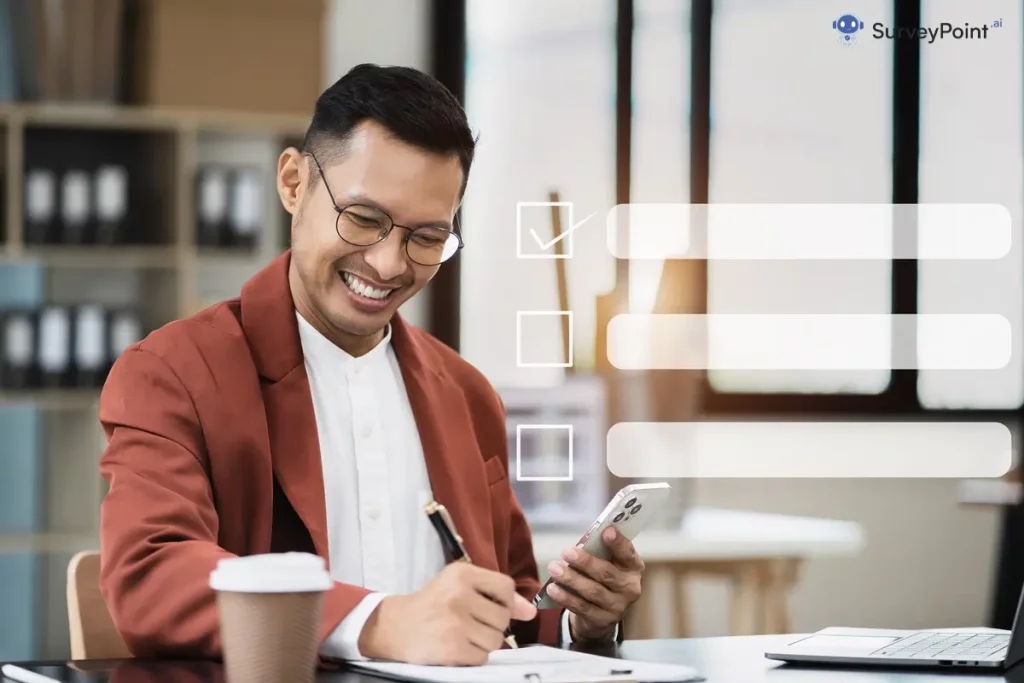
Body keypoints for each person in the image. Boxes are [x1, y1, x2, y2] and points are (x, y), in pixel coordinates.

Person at [97, 63, 646, 667]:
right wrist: (378, 623)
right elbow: (150, 571)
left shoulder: (467, 395)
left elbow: (510, 610)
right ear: (292, 183)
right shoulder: (172, 373)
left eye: (427, 237)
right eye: (363, 219)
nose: (388, 264)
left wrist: (579, 622)